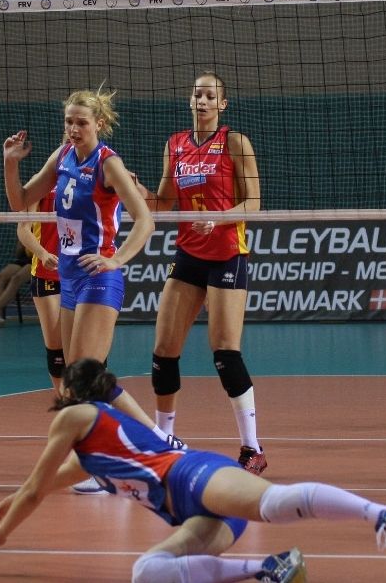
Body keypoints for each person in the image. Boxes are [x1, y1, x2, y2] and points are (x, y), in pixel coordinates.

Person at [0, 359, 386, 583]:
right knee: (146, 571)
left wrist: (1, 537)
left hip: (192, 475)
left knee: (274, 504)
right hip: (191, 514)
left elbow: (32, 490)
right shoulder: (89, 456)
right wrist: (9, 504)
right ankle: (269, 567)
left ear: (74, 389)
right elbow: (37, 488)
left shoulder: (78, 416)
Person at [4, 87, 167, 494]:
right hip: (71, 278)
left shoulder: (108, 163)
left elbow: (145, 219)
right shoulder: (60, 157)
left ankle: (114, 460)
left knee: (82, 376)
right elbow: (21, 200)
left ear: (99, 124)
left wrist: (117, 259)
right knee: (77, 378)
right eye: (69, 122)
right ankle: (151, 445)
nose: (73, 129)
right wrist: (10, 164)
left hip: (99, 275)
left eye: (81, 122)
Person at [137, 71, 265, 473]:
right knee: (163, 351)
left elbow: (255, 203)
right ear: (190, 101)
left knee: (225, 352)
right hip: (188, 254)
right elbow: (164, 203)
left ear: (222, 104)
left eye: (210, 95)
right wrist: (139, 194)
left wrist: (220, 219)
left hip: (227, 252)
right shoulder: (174, 145)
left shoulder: (234, 143)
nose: (203, 101)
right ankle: (164, 440)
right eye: (198, 95)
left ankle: (252, 448)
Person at [16, 185, 63, 393]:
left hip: (82, 274)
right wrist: (43, 254)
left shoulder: (91, 179)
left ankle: (92, 404)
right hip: (47, 273)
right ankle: (65, 402)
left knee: (89, 348)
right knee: (57, 349)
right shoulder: (42, 185)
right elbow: (23, 229)